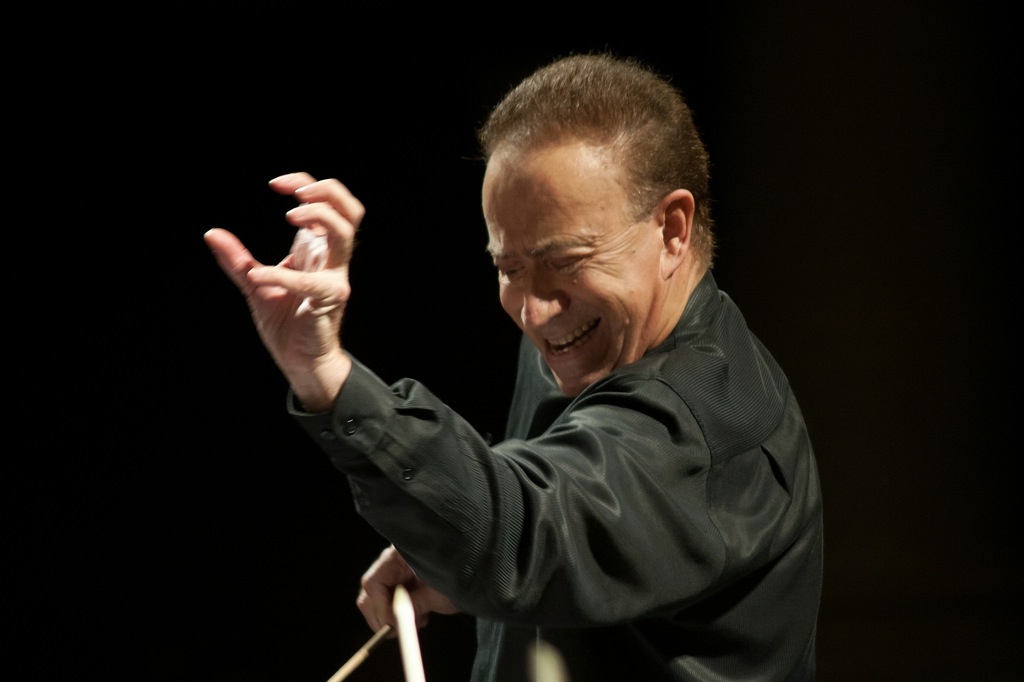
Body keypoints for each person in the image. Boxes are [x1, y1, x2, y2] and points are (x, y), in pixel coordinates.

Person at [204, 52, 823, 682]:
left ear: (672, 230)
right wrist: (453, 547)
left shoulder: (706, 426)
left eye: (565, 261)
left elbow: (534, 532)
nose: (533, 311)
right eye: (508, 268)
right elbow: (551, 516)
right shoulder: (591, 330)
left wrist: (326, 373)